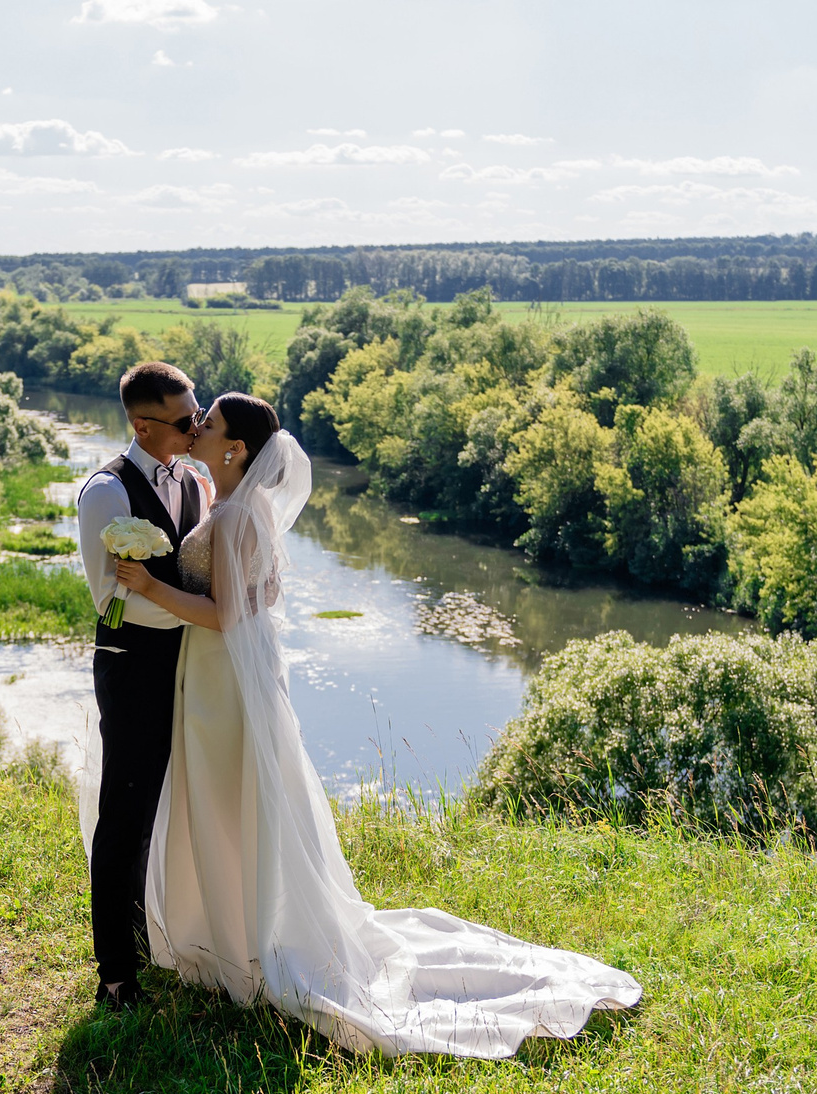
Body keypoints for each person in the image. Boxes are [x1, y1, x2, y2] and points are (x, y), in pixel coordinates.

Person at [110, 394, 640, 1058]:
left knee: (231, 801)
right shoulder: (235, 505)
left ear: (235, 448)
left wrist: (149, 587)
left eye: (208, 424)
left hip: (226, 678)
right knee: (233, 802)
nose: (197, 430)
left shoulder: (240, 514)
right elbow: (263, 593)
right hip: (222, 674)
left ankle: (245, 941)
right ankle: (234, 932)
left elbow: (228, 615)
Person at [73, 361, 211, 1011]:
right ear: (143, 424)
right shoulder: (106, 492)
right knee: (124, 815)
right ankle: (116, 974)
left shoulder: (194, 479)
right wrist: (197, 614)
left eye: (198, 414)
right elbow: (111, 601)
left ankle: (151, 931)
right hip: (132, 665)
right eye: (185, 420)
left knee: (166, 810)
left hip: (190, 664)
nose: (196, 427)